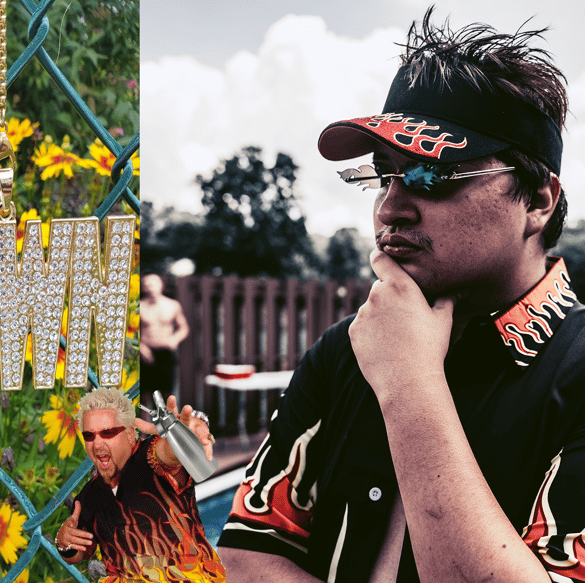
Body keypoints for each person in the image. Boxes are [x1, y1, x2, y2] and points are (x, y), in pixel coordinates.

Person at [217, 10, 585, 583]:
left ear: (537, 199)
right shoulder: (345, 352)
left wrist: (411, 387)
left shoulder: (577, 375)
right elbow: (244, 555)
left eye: (431, 176)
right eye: (384, 175)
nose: (389, 210)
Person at [55, 387, 226, 582]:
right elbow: (77, 554)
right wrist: (64, 543)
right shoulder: (89, 496)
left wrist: (186, 434)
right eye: (89, 436)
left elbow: (169, 454)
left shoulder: (150, 458)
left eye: (108, 433)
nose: (96, 444)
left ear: (129, 434)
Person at [139, 273, 189, 411]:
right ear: (143, 288)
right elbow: (130, 332)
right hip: (146, 353)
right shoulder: (139, 306)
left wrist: (175, 339)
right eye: (147, 284)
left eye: (153, 283)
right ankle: (143, 430)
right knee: (144, 395)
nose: (150, 287)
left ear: (161, 285)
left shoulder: (172, 305)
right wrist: (142, 347)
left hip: (165, 353)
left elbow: (183, 328)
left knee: (165, 394)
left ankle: (163, 430)